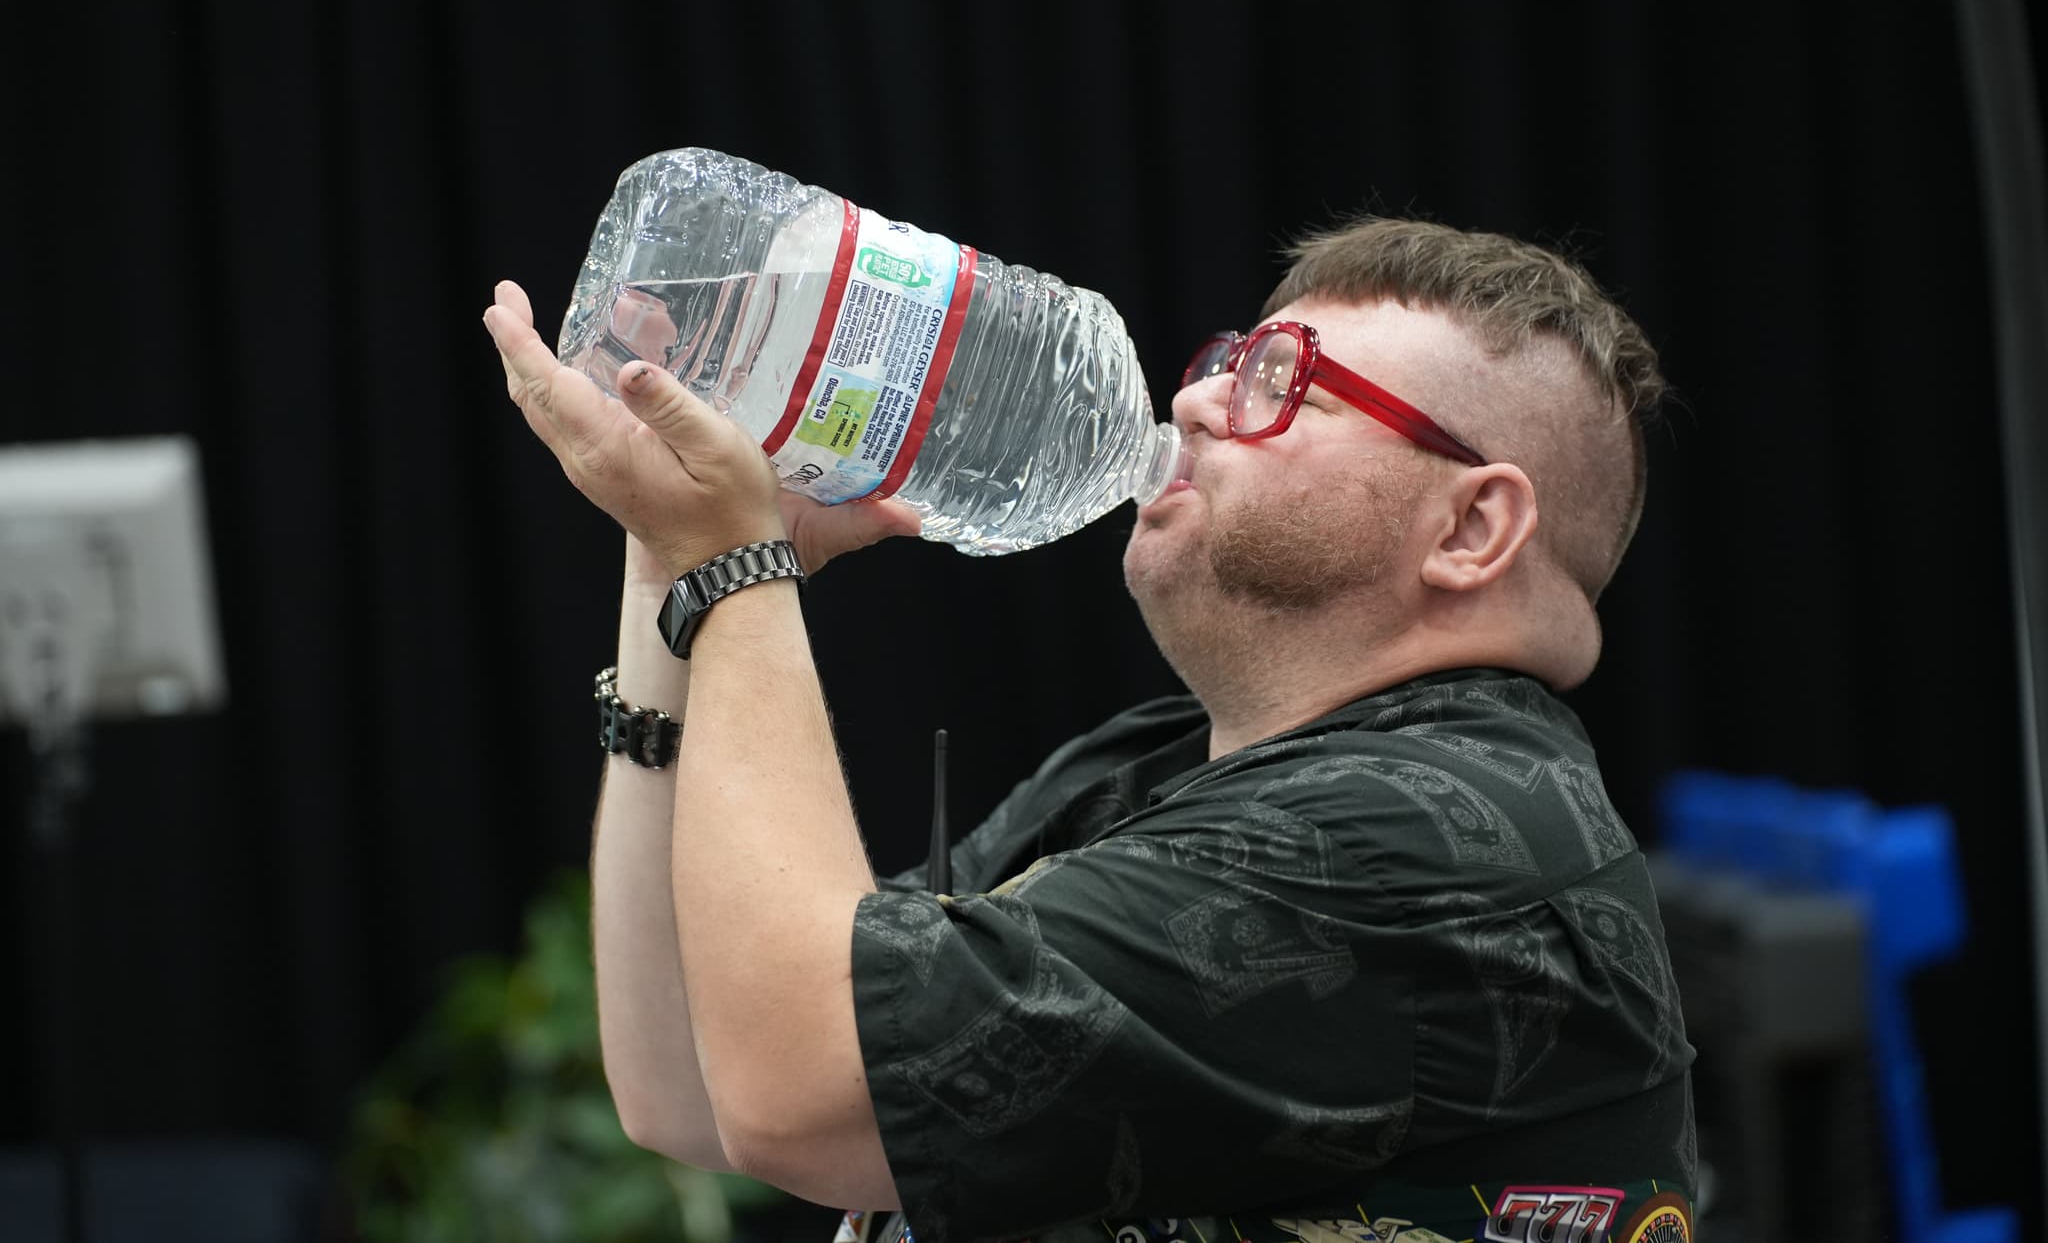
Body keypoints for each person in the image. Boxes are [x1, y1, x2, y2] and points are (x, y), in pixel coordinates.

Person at [482, 216, 1695, 1243]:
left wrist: (735, 568)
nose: (1196, 398)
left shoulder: (1428, 851)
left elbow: (804, 1092)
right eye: (1229, 357)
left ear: (1471, 528)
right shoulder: (1151, 769)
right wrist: (668, 571)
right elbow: (692, 1087)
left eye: (1284, 380)